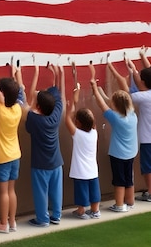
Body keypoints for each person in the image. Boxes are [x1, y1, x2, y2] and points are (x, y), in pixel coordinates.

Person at [0, 60, 33, 234]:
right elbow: (3, 93)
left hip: (1, 157)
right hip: (15, 155)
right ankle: (12, 221)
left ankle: (3, 223)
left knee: (3, 192)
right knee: (11, 190)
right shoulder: (17, 109)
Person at [90, 64, 138, 212]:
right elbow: (109, 102)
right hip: (131, 153)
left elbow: (102, 105)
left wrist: (94, 87)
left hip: (118, 154)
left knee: (119, 180)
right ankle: (130, 202)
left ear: (115, 106)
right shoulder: (132, 115)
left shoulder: (115, 118)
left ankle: (119, 205)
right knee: (128, 179)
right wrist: (100, 91)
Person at [25, 62, 65, 227]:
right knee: (56, 190)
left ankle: (42, 219)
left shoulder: (34, 120)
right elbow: (59, 95)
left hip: (41, 164)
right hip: (56, 162)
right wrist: (57, 74)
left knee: (41, 191)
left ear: (39, 106)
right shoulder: (56, 115)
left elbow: (30, 104)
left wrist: (34, 95)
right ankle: (56, 215)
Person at [108, 49, 151, 202]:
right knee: (131, 175)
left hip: (147, 139)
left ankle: (149, 192)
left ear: (143, 82)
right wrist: (138, 61)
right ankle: (134, 199)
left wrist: (113, 68)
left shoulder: (142, 97)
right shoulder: (144, 95)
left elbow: (125, 92)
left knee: (146, 167)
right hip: (138, 144)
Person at [65, 81, 100, 219]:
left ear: (78, 123)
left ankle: (81, 211)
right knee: (94, 191)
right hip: (92, 169)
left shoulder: (78, 135)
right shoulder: (94, 133)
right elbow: (91, 120)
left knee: (81, 191)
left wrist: (74, 98)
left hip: (80, 170)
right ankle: (95, 210)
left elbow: (67, 118)